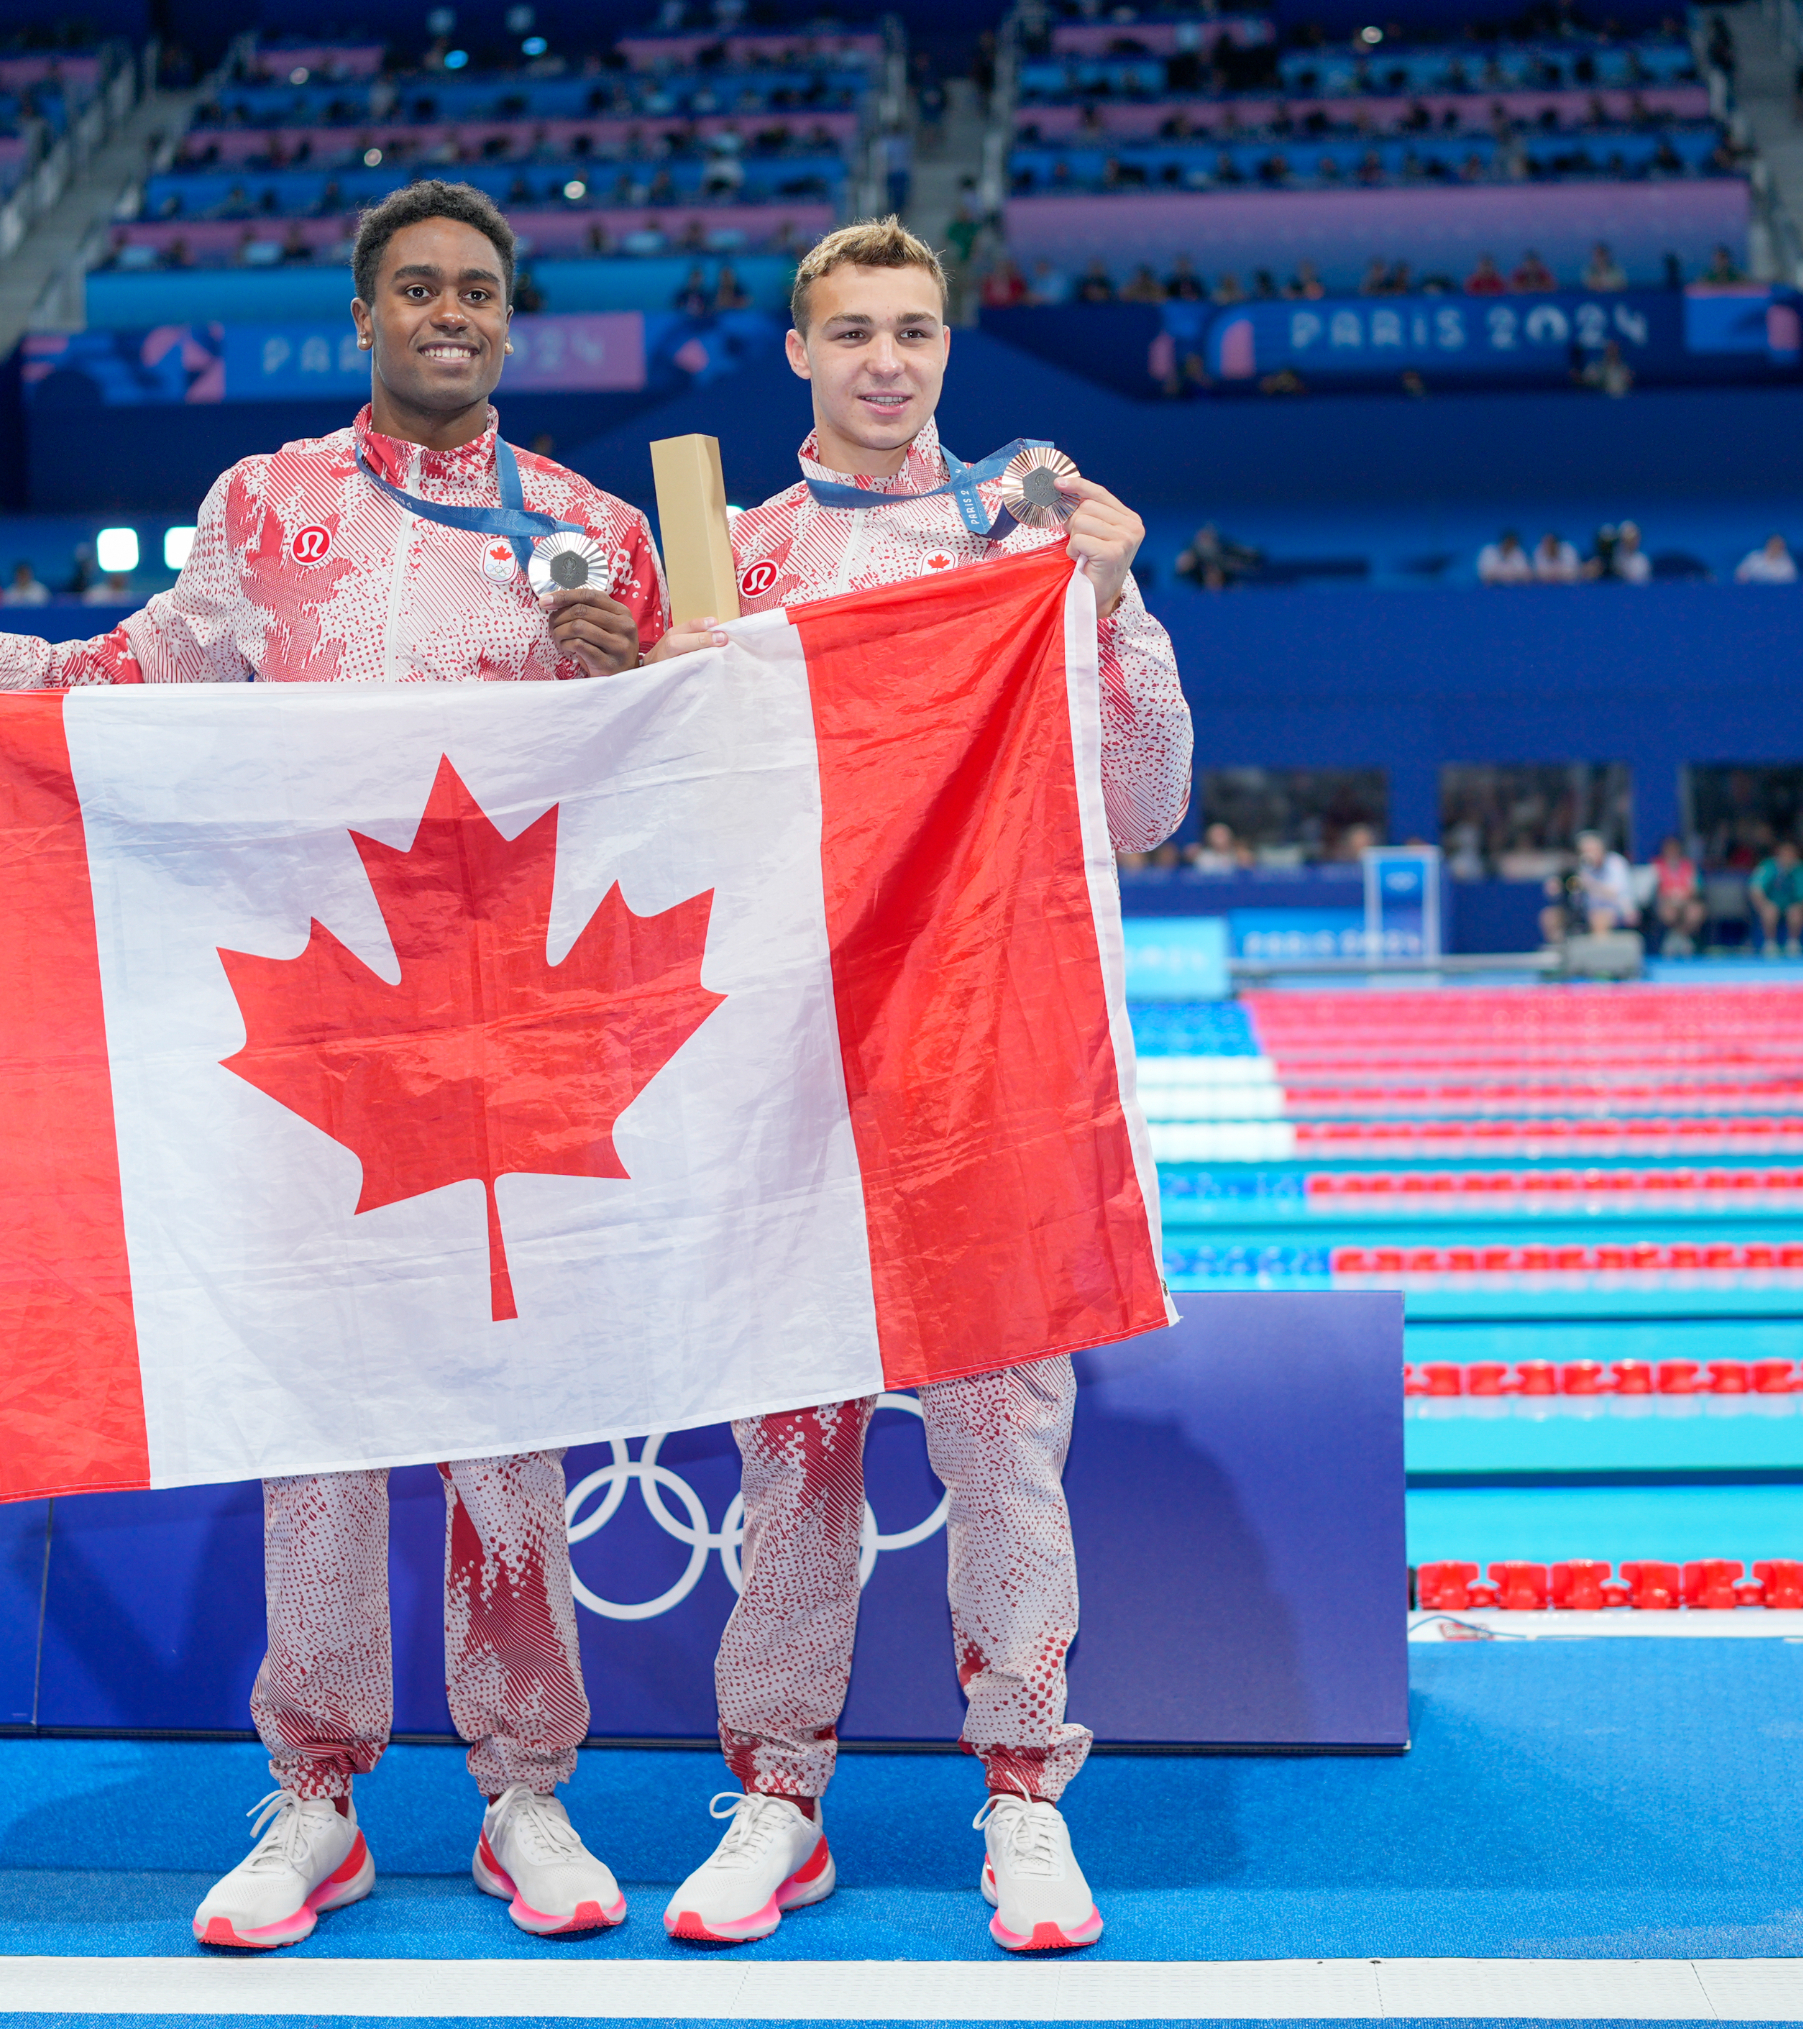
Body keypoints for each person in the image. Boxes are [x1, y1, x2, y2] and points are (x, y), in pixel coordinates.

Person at [0, 178, 689, 1954]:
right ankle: (315, 1790)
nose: (450, 314)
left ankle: (524, 1785)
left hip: (513, 1034)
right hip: (320, 1034)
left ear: (509, 316)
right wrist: (0, 677)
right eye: (418, 290)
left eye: (478, 290)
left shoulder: (594, 528)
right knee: (317, 1417)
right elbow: (152, 657)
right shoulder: (273, 505)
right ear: (366, 318)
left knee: (505, 1427)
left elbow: (688, 760)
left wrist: (638, 674)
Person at [684, 215, 1190, 1956]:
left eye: (914, 329)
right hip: (791, 1075)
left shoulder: (1033, 532)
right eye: (851, 330)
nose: (885, 358)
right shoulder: (732, 562)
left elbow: (1143, 801)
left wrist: (1112, 604)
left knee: (1003, 1446)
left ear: (949, 351)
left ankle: (1026, 1794)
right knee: (793, 1453)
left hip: (986, 1062)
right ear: (798, 353)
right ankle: (777, 1794)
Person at [1540, 828, 1636, 944]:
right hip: (1584, 911)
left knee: (1598, 918)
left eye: (1592, 850)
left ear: (1602, 849)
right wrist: (1560, 885)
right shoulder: (1583, 866)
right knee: (1550, 916)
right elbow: (1573, 887)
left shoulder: (1615, 863)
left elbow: (1615, 894)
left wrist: (1591, 884)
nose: (1589, 854)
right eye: (1585, 851)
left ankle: (1599, 956)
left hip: (1617, 910)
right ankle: (1561, 952)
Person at [1748, 839, 1803, 953]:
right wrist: (1764, 905)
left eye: (1791, 853)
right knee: (1770, 911)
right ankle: (1770, 943)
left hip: (1792, 905)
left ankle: (1793, 942)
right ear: (1778, 854)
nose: (1787, 856)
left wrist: (1800, 908)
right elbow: (1755, 889)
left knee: (1796, 912)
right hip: (1770, 904)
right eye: (1785, 853)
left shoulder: (1801, 869)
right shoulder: (1767, 866)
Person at [1644, 834, 1702, 954]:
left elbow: (1695, 888)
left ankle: (1678, 938)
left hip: (1686, 901)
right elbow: (1651, 890)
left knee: (1695, 912)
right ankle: (1678, 939)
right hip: (1665, 902)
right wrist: (1670, 895)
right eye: (1669, 849)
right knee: (1671, 912)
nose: (1672, 852)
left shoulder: (1688, 865)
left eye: (1675, 849)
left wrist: (1682, 895)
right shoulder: (1656, 866)